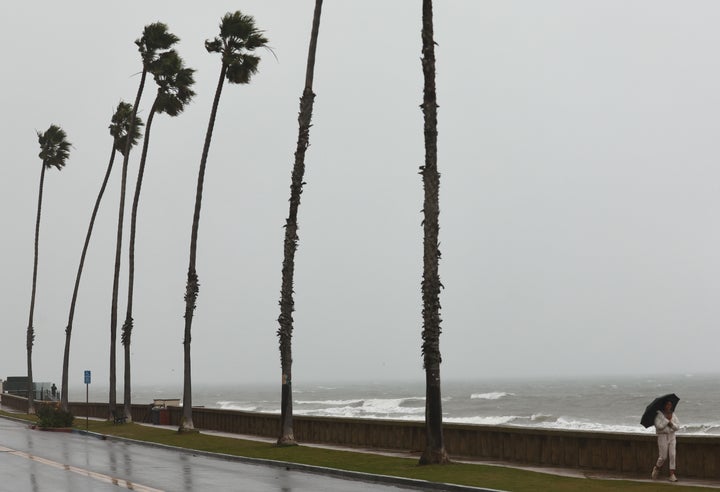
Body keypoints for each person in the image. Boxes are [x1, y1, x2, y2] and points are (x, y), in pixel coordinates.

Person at [652, 400, 679, 482]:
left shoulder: (673, 414)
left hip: (672, 436)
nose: (669, 406)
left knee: (672, 455)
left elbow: (677, 427)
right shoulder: (658, 415)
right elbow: (659, 426)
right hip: (662, 436)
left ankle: (672, 474)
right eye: (667, 404)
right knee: (663, 457)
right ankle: (657, 467)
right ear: (664, 405)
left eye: (670, 404)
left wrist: (671, 424)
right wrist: (666, 420)